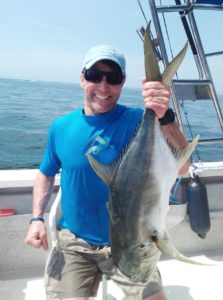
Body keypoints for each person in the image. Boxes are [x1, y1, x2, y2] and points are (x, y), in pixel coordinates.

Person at [25, 45, 189, 300]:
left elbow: (183, 166)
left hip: (131, 243)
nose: (103, 86)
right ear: (82, 79)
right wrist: (36, 219)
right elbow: (45, 174)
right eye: (94, 75)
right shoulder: (61, 127)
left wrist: (164, 115)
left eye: (113, 78)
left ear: (122, 83)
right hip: (75, 244)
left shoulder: (139, 120)